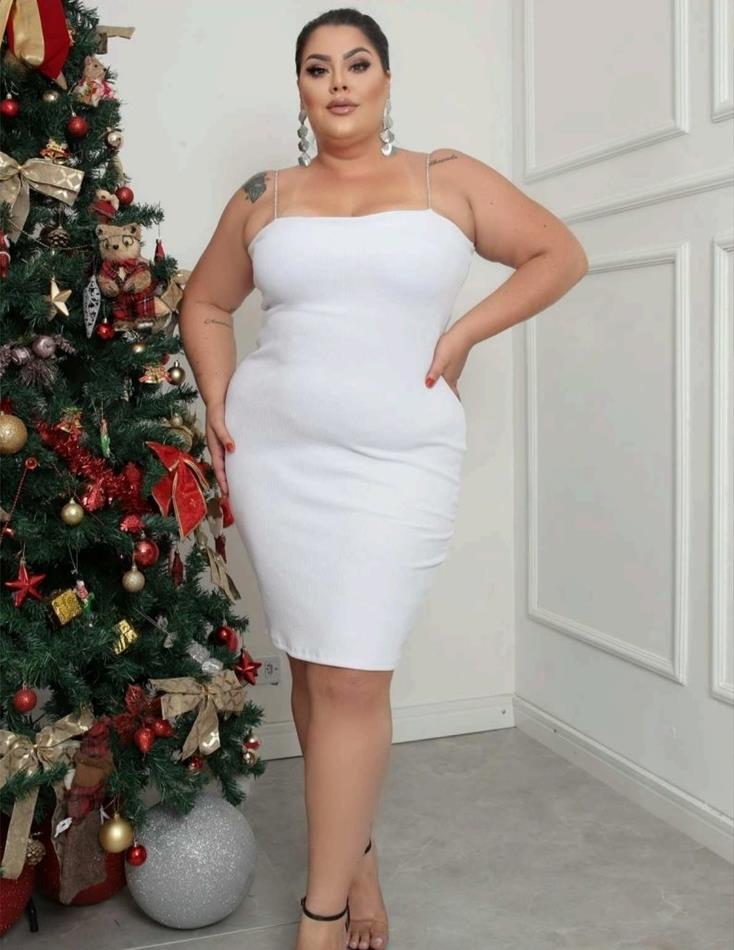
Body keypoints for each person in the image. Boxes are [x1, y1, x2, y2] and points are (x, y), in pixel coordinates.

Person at [179, 8, 588, 949]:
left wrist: (462, 334)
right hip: (278, 460)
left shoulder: (448, 177)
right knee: (316, 664)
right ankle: (353, 860)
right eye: (317, 67)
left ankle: (318, 917)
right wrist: (220, 403)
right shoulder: (264, 195)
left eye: (357, 63)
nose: (338, 82)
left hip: (400, 458)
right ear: (299, 88)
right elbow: (205, 304)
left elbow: (560, 254)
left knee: (355, 676)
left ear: (387, 81)